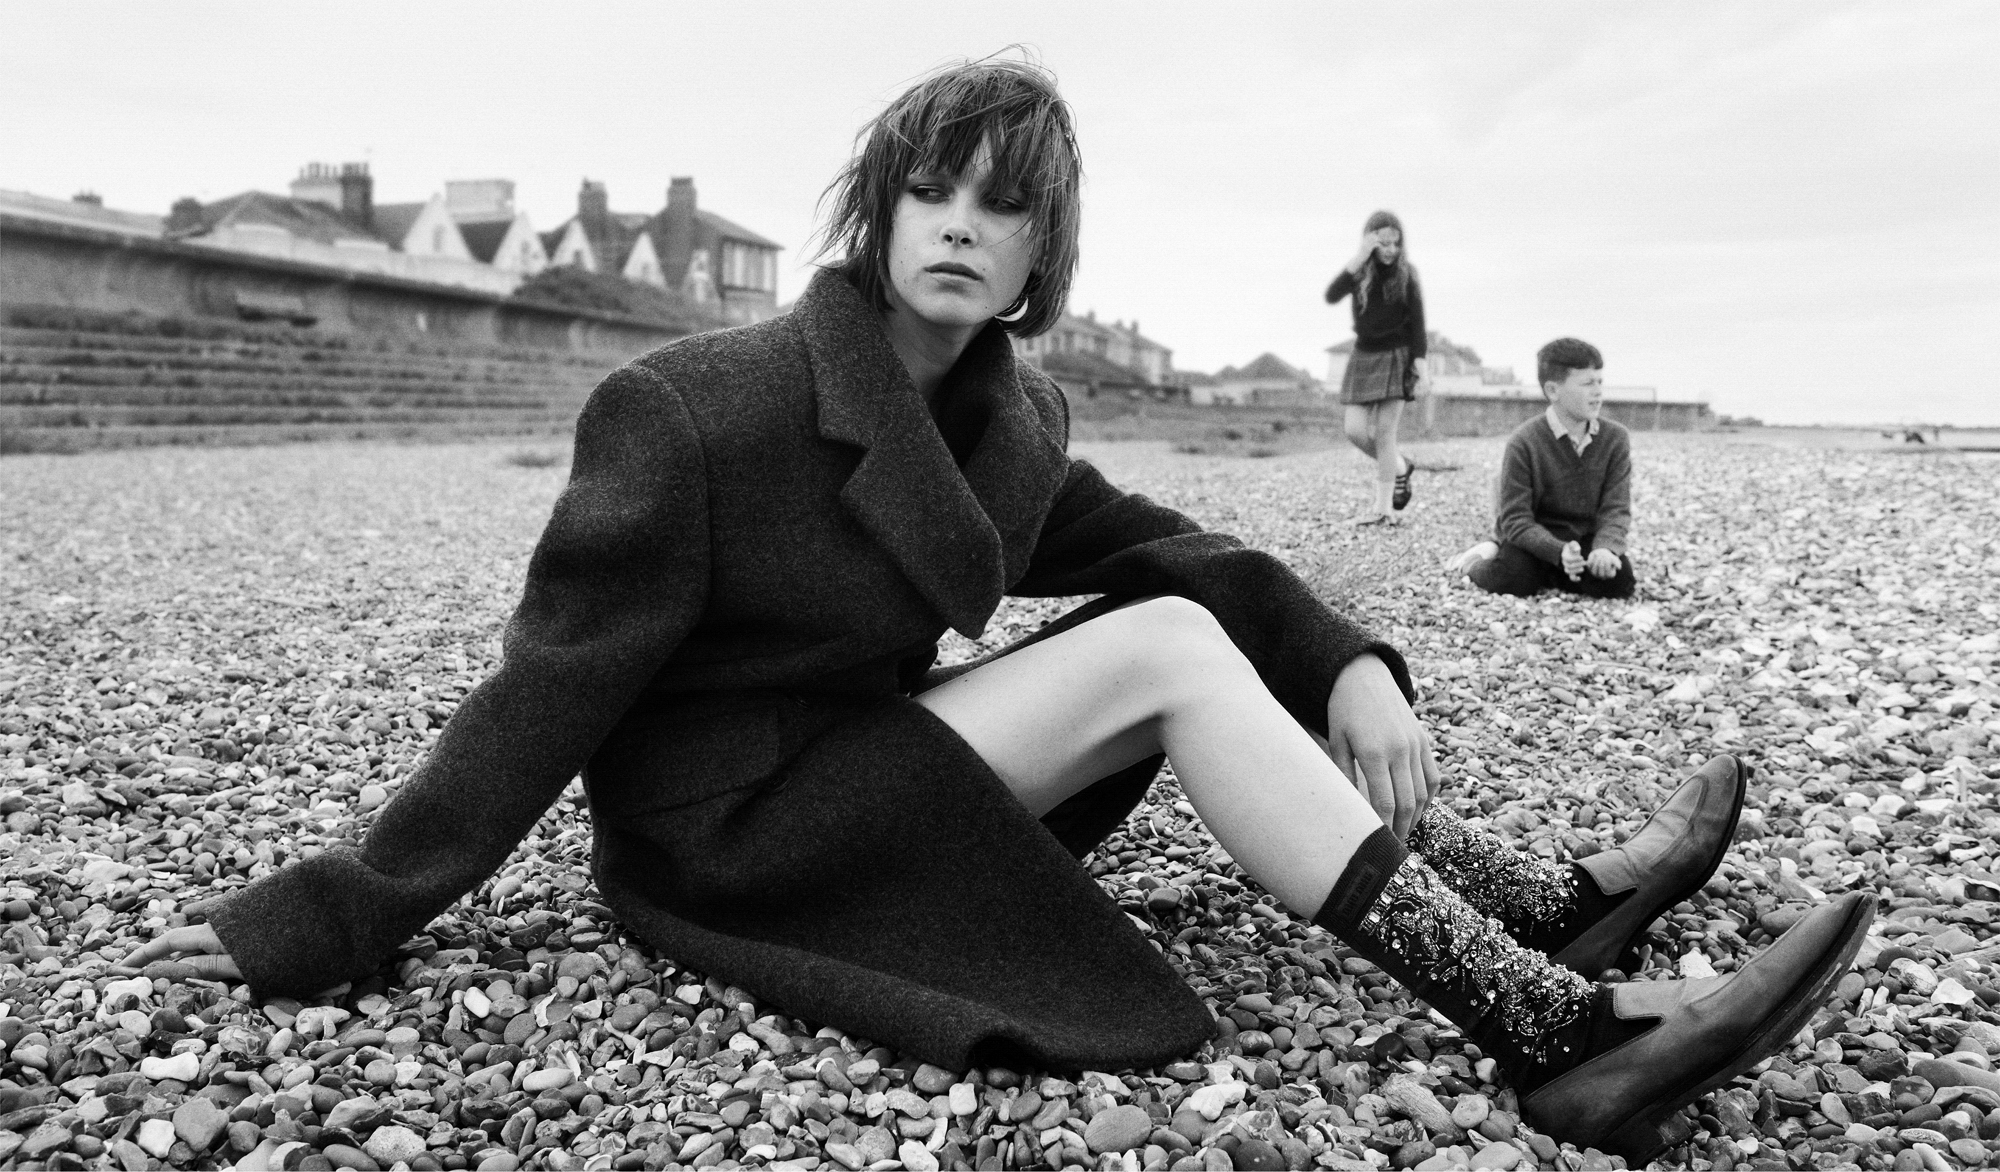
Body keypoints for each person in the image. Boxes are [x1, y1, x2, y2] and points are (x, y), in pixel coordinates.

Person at [123, 58, 1870, 1163]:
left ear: (1045, 257)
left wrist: (1345, 661)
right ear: (878, 209)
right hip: (729, 829)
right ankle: (1550, 1033)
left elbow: (1163, 542)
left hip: (867, 765)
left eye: (1005, 209)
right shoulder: (692, 409)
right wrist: (343, 905)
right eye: (933, 191)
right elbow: (543, 692)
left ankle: (1546, 909)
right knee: (1166, 653)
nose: (962, 227)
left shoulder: (1009, 415)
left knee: (1182, 617)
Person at [1449, 337, 1637, 598]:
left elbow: (1616, 508)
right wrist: (1557, 551)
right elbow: (1515, 519)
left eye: (1599, 382)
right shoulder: (1524, 441)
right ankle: (1475, 563)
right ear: (1553, 391)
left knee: (1619, 582)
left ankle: (1556, 575)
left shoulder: (1615, 438)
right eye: (1587, 383)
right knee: (1514, 581)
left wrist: (1605, 548)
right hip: (1533, 540)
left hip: (1582, 542)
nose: (1597, 391)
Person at [1326, 210, 1428, 525]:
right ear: (1370, 241)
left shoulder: (1408, 274)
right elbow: (1331, 295)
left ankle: (1382, 510)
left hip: (1397, 357)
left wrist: (1422, 368)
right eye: (1383, 243)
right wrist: (1360, 256)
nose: (1390, 250)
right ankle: (1400, 466)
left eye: (1396, 243)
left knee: (1385, 434)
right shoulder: (1359, 271)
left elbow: (1418, 325)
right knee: (1354, 431)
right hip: (1363, 356)